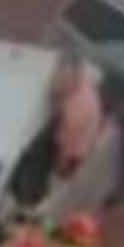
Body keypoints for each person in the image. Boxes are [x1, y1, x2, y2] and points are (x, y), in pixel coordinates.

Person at [50, 47, 104, 179]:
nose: (57, 80)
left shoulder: (75, 108)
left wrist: (61, 162)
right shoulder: (84, 85)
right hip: (80, 142)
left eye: (62, 76)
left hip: (73, 150)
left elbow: (67, 144)